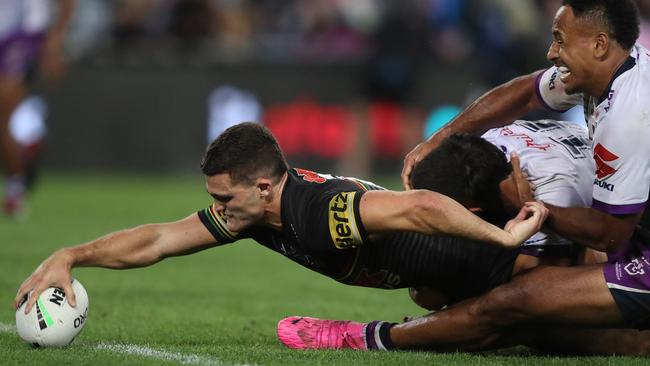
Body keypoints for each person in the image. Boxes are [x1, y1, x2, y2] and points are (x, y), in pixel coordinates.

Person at [278, 0, 650, 354]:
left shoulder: (630, 116)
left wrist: (529, 205)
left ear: (600, 44)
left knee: (516, 300)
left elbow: (609, 234)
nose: (552, 53)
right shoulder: (615, 68)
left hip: (632, 245)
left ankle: (369, 338)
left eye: (560, 41)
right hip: (631, 231)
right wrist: (443, 137)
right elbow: (523, 93)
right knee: (543, 316)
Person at [14, 122, 546, 332]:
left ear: (263, 188)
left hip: (502, 264)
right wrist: (72, 255)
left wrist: (504, 238)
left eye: (223, 198)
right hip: (451, 283)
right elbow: (158, 239)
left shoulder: (320, 212)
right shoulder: (253, 215)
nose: (216, 210)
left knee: (607, 337)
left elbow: (416, 207)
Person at [0, 0, 75, 216]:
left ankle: (16, 187)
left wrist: (54, 40)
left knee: (4, 107)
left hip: (21, 32)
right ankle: (28, 139)